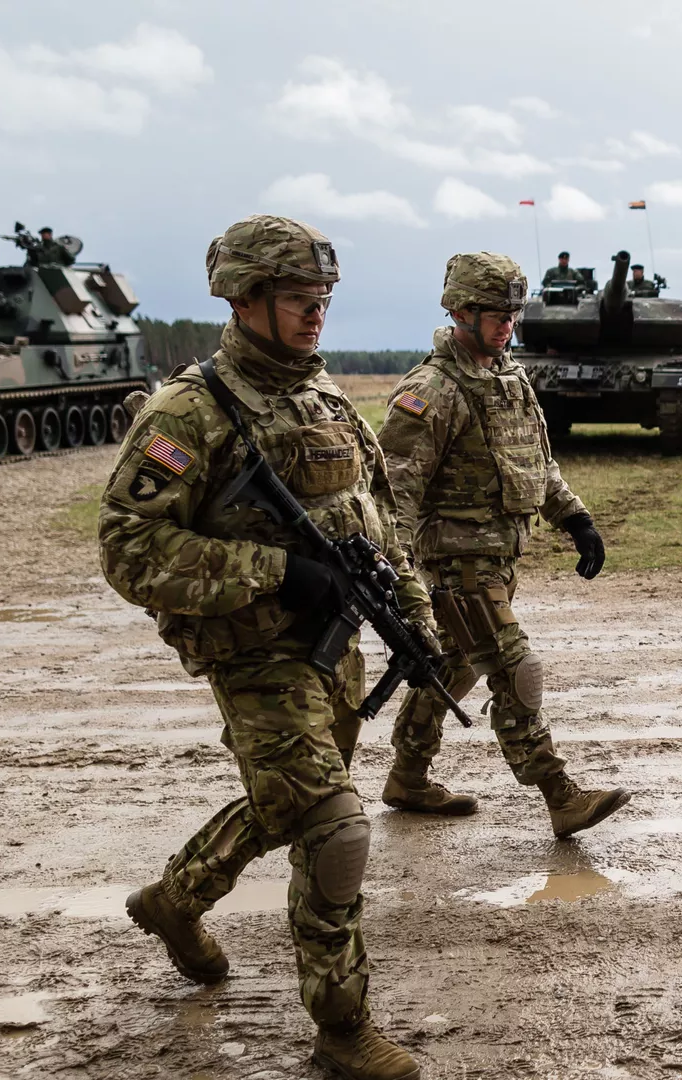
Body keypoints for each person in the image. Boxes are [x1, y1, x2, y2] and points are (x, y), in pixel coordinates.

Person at [98, 214, 424, 1080]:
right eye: (297, 297)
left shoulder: (325, 402)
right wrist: (275, 570)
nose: (317, 312)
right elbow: (128, 549)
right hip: (253, 654)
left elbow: (378, 526)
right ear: (243, 300)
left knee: (289, 801)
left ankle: (175, 899)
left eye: (323, 296)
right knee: (335, 827)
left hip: (333, 648)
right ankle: (343, 1028)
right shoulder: (188, 412)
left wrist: (413, 612)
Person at [376, 252, 628, 839]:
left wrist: (575, 517)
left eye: (513, 314)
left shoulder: (508, 377)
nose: (507, 325)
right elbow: (393, 491)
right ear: (460, 312)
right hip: (457, 562)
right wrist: (398, 570)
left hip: (500, 555)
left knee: (452, 665)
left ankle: (407, 777)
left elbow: (536, 463)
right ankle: (560, 794)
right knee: (516, 668)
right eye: (495, 315)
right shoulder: (433, 389)